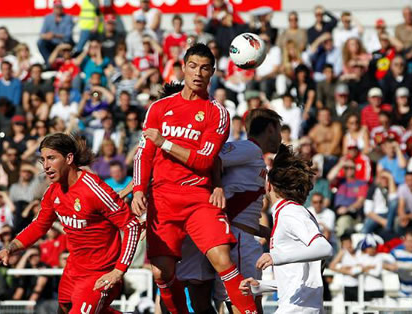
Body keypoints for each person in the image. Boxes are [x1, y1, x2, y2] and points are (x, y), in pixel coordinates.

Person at [132, 44, 257, 313]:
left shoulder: (218, 113)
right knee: (161, 274)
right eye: (192, 66)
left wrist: (164, 142)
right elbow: (143, 153)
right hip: (162, 199)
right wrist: (139, 189)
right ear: (183, 68)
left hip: (199, 198)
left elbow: (204, 160)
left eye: (204, 68)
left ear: (212, 73)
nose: (197, 73)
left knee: (222, 260)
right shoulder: (158, 108)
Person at [0, 133, 142, 313]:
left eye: (51, 158)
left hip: (99, 274)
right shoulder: (53, 191)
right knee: (64, 308)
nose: (46, 166)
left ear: (69, 158)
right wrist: (9, 249)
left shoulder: (93, 190)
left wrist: (118, 271)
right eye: (43, 160)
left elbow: (132, 225)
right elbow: (39, 225)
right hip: (73, 270)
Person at [178, 108, 282, 313]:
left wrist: (265, 231)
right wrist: (217, 187)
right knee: (245, 303)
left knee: (209, 301)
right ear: (271, 128)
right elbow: (211, 157)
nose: (280, 136)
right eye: (279, 130)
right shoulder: (250, 148)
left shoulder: (253, 155)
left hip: (227, 234)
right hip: (237, 239)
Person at [239, 144, 333, 312]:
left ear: (270, 186)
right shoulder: (287, 213)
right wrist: (260, 286)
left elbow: (324, 247)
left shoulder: (290, 212)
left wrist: (276, 256)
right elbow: (298, 278)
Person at [37, 0, 74, 65]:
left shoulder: (68, 18)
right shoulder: (48, 18)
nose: (58, 9)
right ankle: (48, 62)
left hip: (64, 42)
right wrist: (47, 36)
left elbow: (68, 36)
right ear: (53, 8)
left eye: (60, 7)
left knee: (68, 44)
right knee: (40, 42)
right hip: (52, 43)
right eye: (56, 7)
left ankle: (65, 64)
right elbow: (41, 34)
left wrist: (55, 35)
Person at [329, 233, 360, 301]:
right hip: (347, 285)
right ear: (342, 245)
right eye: (345, 244)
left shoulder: (358, 252)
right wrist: (347, 271)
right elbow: (332, 266)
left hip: (360, 285)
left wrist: (349, 267)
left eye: (349, 243)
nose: (348, 245)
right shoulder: (343, 252)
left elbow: (361, 265)